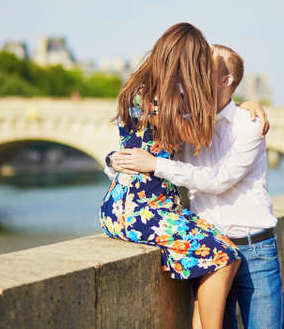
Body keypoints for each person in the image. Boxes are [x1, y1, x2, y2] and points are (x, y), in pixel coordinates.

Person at [108, 44, 284, 329]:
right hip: (212, 252)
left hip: (255, 251)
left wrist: (154, 164)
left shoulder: (249, 124)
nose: (195, 72)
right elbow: (136, 146)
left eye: (205, 68)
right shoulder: (183, 123)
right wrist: (115, 160)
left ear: (226, 81)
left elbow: (219, 180)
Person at [99, 24, 242, 329]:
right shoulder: (150, 99)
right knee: (224, 257)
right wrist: (237, 108)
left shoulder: (145, 90)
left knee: (224, 254)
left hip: (152, 206)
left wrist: (244, 107)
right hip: (136, 210)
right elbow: (202, 133)